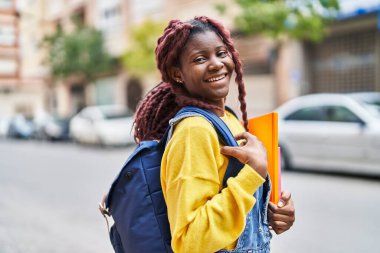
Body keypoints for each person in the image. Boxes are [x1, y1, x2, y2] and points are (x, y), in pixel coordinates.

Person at [133, 16, 295, 253]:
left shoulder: (229, 119)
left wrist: (274, 212)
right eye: (200, 59)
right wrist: (253, 175)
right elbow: (189, 241)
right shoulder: (193, 131)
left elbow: (236, 212)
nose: (216, 63)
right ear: (177, 73)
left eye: (221, 53)